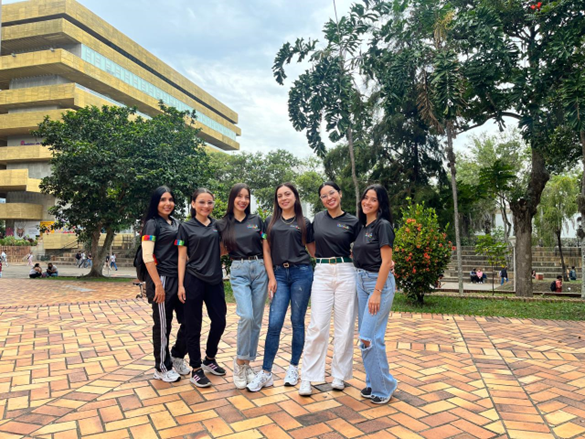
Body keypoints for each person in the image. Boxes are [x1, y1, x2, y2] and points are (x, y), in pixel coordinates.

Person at [247, 183, 314, 392]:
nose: (283, 198)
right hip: (279, 275)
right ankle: (266, 372)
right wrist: (271, 277)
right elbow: (266, 250)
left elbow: (313, 251)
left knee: (297, 321)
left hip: (301, 273)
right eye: (279, 196)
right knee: (274, 323)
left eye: (287, 194)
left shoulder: (305, 222)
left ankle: (294, 368)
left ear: (295, 196)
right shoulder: (270, 222)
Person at [299, 182, 359, 396]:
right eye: (324, 196)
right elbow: (311, 244)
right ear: (321, 200)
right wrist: (321, 259)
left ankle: (339, 375)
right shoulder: (318, 218)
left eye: (332, 193)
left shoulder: (353, 221)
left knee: (345, 326)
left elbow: (361, 247)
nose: (329, 198)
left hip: (346, 272)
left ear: (340, 194)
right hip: (323, 272)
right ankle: (308, 377)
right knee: (318, 326)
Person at [217, 183, 269, 389]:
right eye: (239, 196)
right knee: (246, 316)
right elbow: (216, 248)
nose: (243, 200)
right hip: (238, 270)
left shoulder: (257, 221)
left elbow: (266, 247)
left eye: (246, 197)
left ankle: (248, 364)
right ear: (232, 199)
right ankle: (239, 362)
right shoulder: (222, 224)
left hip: (260, 270)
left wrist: (270, 274)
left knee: (256, 320)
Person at [177, 188, 227, 388]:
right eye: (202, 202)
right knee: (193, 325)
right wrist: (181, 284)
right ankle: (196, 369)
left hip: (215, 281)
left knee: (220, 321)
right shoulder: (185, 227)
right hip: (193, 281)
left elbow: (223, 248)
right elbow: (181, 256)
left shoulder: (218, 225)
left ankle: (209, 358)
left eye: (210, 202)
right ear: (193, 204)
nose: (206, 206)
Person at [353, 184, 397, 405]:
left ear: (380, 204)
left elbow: (386, 261)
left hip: (377, 284)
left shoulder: (383, 226)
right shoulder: (362, 226)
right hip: (361, 281)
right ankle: (373, 382)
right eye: (365, 198)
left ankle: (385, 386)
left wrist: (377, 292)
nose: (367, 202)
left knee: (368, 338)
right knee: (370, 335)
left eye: (373, 199)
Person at [142, 186, 189, 383]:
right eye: (163, 199)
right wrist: (157, 285)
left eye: (170, 199)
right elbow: (147, 256)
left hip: (179, 280)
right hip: (160, 279)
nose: (167, 203)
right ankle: (161, 367)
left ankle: (177, 356)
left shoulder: (177, 223)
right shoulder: (152, 224)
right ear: (156, 202)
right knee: (163, 326)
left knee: (190, 321)